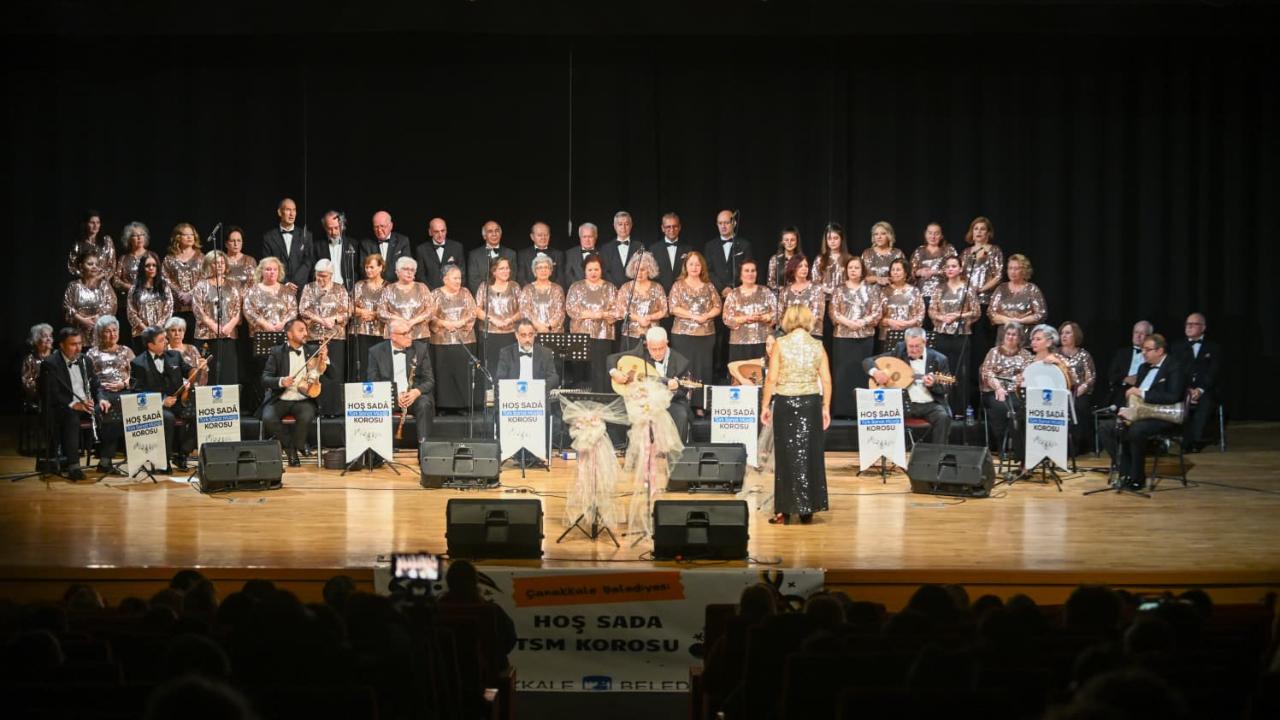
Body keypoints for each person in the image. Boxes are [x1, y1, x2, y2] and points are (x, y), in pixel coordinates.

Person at [761, 305, 831, 525]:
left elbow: (771, 379)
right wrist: (826, 407)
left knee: (785, 457)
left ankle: (784, 511)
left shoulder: (781, 344)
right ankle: (807, 509)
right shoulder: (817, 345)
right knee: (810, 454)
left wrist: (765, 406)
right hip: (810, 404)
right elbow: (826, 380)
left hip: (786, 403)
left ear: (787, 320)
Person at [1104, 334, 1187, 490]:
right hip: (1140, 412)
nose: (1143, 353)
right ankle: (1125, 471)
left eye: (1148, 350)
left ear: (1160, 350)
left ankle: (1137, 477)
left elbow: (1173, 396)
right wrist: (1127, 408)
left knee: (1136, 430)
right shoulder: (1143, 368)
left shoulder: (1174, 366)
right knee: (1107, 427)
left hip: (1163, 415)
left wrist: (1142, 393)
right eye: (1142, 349)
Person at [39, 327, 111, 480]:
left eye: (80, 343)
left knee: (109, 411)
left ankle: (105, 461)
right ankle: (74, 466)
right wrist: (73, 404)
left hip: (86, 405)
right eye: (73, 344)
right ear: (62, 345)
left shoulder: (85, 360)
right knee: (71, 417)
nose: (78, 348)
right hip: (63, 407)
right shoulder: (50, 364)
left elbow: (96, 385)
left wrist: (102, 399)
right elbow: (51, 393)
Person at [865, 326, 953, 445]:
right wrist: (875, 372)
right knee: (882, 412)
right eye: (911, 346)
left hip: (930, 405)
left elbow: (947, 388)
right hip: (905, 404)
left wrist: (933, 384)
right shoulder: (899, 353)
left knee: (943, 417)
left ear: (925, 342)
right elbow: (868, 361)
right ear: (906, 343)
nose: (914, 350)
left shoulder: (939, 359)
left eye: (918, 346)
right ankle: (886, 450)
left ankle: (938, 454)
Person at [261, 318, 328, 467]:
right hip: (281, 398)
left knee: (306, 416)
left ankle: (299, 444)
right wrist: (281, 381)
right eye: (301, 330)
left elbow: (329, 374)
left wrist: (324, 359)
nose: (306, 333)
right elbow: (265, 378)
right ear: (290, 335)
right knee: (268, 418)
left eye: (305, 330)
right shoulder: (277, 352)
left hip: (303, 398)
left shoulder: (313, 351)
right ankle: (291, 449)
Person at [129, 326, 195, 471]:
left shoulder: (175, 356)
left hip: (177, 402)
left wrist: (193, 373)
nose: (166, 341)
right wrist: (161, 401)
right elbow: (137, 393)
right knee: (167, 418)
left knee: (198, 413)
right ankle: (163, 462)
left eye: (165, 338)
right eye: (161, 340)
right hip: (154, 407)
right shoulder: (138, 363)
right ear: (150, 345)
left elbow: (188, 370)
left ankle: (182, 454)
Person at [608, 326, 692, 441]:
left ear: (667, 343)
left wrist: (673, 389)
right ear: (647, 345)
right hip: (643, 402)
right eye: (653, 349)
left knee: (681, 414)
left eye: (661, 348)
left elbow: (683, 392)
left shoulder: (680, 362)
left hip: (669, 402)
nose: (657, 353)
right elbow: (612, 358)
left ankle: (678, 450)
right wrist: (614, 372)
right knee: (620, 412)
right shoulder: (641, 352)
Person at [367, 320, 435, 445]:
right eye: (405, 333)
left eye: (410, 332)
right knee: (374, 403)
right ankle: (380, 448)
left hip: (413, 397)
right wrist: (393, 395)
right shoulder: (376, 352)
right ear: (393, 336)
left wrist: (416, 392)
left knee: (424, 403)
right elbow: (373, 381)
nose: (410, 336)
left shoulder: (420, 349)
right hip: (389, 398)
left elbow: (429, 380)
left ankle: (424, 448)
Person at [829, 256, 882, 417]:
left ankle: (861, 409)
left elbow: (877, 311)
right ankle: (842, 410)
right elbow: (833, 311)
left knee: (861, 373)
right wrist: (848, 322)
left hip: (864, 337)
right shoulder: (839, 289)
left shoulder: (871, 289)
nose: (853, 270)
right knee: (843, 374)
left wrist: (863, 322)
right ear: (846, 270)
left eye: (856, 268)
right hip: (843, 337)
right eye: (850, 267)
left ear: (862, 270)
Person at [668, 251, 721, 412]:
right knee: (684, 368)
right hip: (682, 335)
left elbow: (718, 306)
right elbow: (673, 308)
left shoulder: (709, 286)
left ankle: (700, 404)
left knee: (703, 368)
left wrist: (706, 316)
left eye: (697, 264)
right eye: (691, 264)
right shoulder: (678, 285)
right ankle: (683, 403)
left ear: (702, 267)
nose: (694, 267)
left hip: (705, 335)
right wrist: (693, 316)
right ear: (685, 266)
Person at [928, 255, 980, 417]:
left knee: (960, 374)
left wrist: (959, 315)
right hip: (942, 335)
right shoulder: (939, 288)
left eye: (954, 266)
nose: (950, 269)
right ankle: (944, 407)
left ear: (960, 268)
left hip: (961, 335)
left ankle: (960, 409)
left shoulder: (967, 288)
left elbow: (976, 311)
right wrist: (942, 317)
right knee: (943, 374)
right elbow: (931, 310)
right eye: (948, 266)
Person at [959, 216, 1004, 388]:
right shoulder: (966, 253)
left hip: (985, 302)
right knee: (967, 345)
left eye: (982, 229)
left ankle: (984, 384)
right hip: (967, 304)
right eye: (976, 229)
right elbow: (961, 275)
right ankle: (967, 385)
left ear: (988, 232)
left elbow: (998, 275)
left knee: (982, 344)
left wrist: (980, 289)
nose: (978, 232)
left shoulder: (994, 251)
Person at [299, 259, 350, 413]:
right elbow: (303, 310)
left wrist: (334, 319)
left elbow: (347, 312)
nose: (321, 279)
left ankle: (333, 409)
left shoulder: (340, 289)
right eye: (318, 275)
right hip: (313, 336)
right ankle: (315, 408)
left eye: (324, 276)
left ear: (331, 275)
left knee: (333, 373)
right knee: (314, 373)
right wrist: (321, 320)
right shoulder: (309, 288)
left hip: (335, 336)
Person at [85, 315, 133, 473]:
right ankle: (105, 459)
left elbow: (136, 375)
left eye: (115, 330)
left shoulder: (126, 351)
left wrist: (123, 384)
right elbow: (87, 378)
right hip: (101, 393)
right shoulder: (92, 353)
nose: (112, 334)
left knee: (130, 407)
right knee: (107, 410)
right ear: (100, 333)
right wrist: (99, 386)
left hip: (124, 391)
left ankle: (107, 459)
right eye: (107, 331)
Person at [429, 264, 479, 412]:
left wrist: (460, 323)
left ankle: (463, 405)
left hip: (464, 340)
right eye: (455, 278)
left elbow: (473, 312)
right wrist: (444, 323)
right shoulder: (435, 294)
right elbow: (429, 315)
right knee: (443, 373)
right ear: (445, 279)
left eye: (459, 278)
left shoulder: (465, 292)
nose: (458, 281)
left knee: (462, 372)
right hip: (441, 341)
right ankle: (442, 406)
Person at [564, 255, 617, 393]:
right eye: (590, 270)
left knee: (600, 369)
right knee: (579, 370)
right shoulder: (576, 287)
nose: (593, 273)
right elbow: (570, 309)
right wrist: (597, 314)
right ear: (584, 271)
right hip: (580, 334)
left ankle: (600, 398)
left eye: (596, 269)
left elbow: (615, 311)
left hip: (603, 335)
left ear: (601, 270)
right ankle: (579, 399)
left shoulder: (610, 287)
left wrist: (602, 315)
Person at [980, 322, 1033, 454]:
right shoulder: (994, 352)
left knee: (1021, 407)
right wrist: (998, 388)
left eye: (1014, 335)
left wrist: (1015, 386)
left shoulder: (1026, 355)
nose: (1010, 337)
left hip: (1017, 391)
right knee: (1000, 407)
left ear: (1019, 338)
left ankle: (1018, 448)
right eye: (1008, 334)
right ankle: (1000, 446)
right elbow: (987, 373)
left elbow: (1027, 375)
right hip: (994, 391)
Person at [1171, 312, 1221, 452]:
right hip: (1182, 389)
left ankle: (1194, 441)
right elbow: (1174, 372)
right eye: (1188, 324)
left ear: (1203, 328)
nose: (1189, 327)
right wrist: (1186, 389)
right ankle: (1178, 440)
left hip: (1205, 390)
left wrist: (1199, 390)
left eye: (1194, 324)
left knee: (1205, 403)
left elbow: (1213, 372)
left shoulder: (1214, 348)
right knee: (1174, 399)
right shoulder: (1176, 347)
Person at [191, 250, 242, 386]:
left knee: (227, 372)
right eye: (215, 263)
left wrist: (230, 326)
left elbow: (237, 309)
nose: (219, 265)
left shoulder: (233, 285)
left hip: (227, 335)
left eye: (222, 263)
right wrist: (214, 326)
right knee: (209, 373)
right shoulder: (201, 286)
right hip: (206, 336)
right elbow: (198, 309)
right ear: (208, 265)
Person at [722, 258, 778, 364]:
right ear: (740, 274)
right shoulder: (733, 294)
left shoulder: (766, 291)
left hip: (764, 342)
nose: (750, 274)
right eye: (746, 271)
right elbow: (726, 318)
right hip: (739, 344)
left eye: (753, 271)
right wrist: (745, 318)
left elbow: (777, 312)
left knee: (763, 372)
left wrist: (765, 317)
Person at [474, 256, 522, 376]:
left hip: (510, 335)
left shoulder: (514, 286)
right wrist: (492, 320)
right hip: (489, 335)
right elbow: (477, 310)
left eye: (507, 268)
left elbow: (523, 309)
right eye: (502, 268)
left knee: (510, 370)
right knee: (491, 369)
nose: (506, 271)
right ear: (494, 271)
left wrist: (510, 320)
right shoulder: (484, 286)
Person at [613, 251, 668, 350]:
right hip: (630, 335)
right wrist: (639, 319)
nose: (639, 273)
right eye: (636, 269)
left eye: (642, 269)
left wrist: (650, 317)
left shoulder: (657, 287)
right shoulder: (625, 287)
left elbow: (664, 310)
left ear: (649, 270)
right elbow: (620, 310)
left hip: (652, 336)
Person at [1058, 321, 1098, 455]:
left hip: (1078, 392)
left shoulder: (1084, 354)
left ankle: (1077, 446)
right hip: (1059, 392)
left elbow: (1091, 377)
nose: (1064, 336)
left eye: (1067, 333)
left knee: (1079, 406)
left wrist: (1083, 387)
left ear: (1075, 335)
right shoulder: (1055, 354)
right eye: (1062, 333)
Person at [260, 198, 314, 294]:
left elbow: (308, 262)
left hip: (299, 289)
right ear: (280, 212)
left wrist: (294, 282)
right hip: (277, 288)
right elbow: (268, 263)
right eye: (288, 210)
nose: (292, 214)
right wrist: (285, 283)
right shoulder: (269, 237)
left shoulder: (306, 235)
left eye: (294, 210)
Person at [378, 257, 435, 343]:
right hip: (395, 336)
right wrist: (399, 320)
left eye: (412, 270)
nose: (409, 272)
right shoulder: (389, 289)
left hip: (419, 335)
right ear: (397, 272)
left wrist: (413, 321)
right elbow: (381, 312)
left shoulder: (422, 287)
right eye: (406, 269)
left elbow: (431, 310)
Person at [350, 253, 388, 383]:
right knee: (362, 366)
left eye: (371, 267)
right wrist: (362, 311)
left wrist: (374, 314)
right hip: (361, 332)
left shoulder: (388, 287)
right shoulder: (359, 285)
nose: (368, 270)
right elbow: (349, 306)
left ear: (381, 267)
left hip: (381, 333)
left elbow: (391, 309)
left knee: (378, 367)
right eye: (366, 267)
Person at [910, 222, 957, 327]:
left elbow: (955, 268)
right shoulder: (919, 251)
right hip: (922, 294)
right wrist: (919, 272)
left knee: (939, 325)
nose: (933, 236)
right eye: (930, 233)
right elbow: (911, 271)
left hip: (943, 293)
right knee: (924, 325)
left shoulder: (948, 250)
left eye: (936, 233)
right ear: (925, 234)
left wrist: (934, 272)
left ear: (941, 236)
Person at [162, 223, 204, 341]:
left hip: (196, 307)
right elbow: (165, 278)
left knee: (194, 341)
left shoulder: (201, 257)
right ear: (178, 237)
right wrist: (179, 293)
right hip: (176, 307)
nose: (190, 237)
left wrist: (191, 294)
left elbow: (204, 278)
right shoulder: (169, 258)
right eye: (186, 235)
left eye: (192, 234)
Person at [987, 253, 1047, 333]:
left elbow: (1041, 314)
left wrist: (1020, 321)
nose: (1012, 272)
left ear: (1024, 270)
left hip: (1025, 334)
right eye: (1010, 268)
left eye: (1016, 269)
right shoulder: (1001, 289)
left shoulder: (1032, 289)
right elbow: (991, 313)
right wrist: (1007, 320)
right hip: (1005, 334)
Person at [63, 250, 118, 336]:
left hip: (101, 332)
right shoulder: (73, 286)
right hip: (78, 333)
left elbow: (112, 304)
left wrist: (98, 317)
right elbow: (67, 307)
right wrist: (82, 320)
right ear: (81, 266)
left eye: (97, 264)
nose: (94, 267)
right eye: (90, 264)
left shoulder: (104, 285)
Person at [496, 319, 562, 390]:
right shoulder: (506, 353)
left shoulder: (545, 353)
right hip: (514, 394)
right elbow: (500, 380)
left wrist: (538, 388)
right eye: (523, 335)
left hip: (537, 393)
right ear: (516, 335)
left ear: (534, 334)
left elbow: (553, 378)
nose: (527, 339)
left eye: (530, 335)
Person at [877, 258, 925, 350]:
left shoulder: (914, 291)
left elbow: (921, 314)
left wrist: (908, 323)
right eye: (893, 270)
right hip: (888, 335)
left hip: (910, 336)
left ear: (905, 273)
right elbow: (878, 316)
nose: (895, 272)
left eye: (898, 270)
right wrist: (889, 322)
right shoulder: (884, 291)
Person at [1106, 320, 1155, 409]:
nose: (1138, 336)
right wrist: (1125, 379)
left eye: (1142, 333)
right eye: (1136, 332)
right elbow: (1111, 375)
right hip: (1123, 391)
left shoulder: (1154, 354)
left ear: (1149, 337)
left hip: (1144, 391)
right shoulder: (1122, 353)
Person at [705, 210, 752, 299]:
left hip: (740, 294)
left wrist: (733, 288)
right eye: (720, 223)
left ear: (734, 223)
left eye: (726, 223)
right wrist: (722, 288)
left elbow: (747, 270)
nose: (723, 226)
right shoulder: (710, 246)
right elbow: (708, 271)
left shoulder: (745, 245)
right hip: (716, 295)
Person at [778, 256, 825, 338]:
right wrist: (791, 329)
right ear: (793, 268)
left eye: (806, 266)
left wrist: (802, 330)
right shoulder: (785, 291)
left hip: (812, 334)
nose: (804, 268)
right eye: (800, 266)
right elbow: (781, 315)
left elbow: (817, 314)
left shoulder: (816, 288)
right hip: (790, 335)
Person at [518, 253, 566, 334]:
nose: (543, 270)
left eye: (546, 267)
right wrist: (539, 327)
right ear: (534, 271)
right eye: (540, 268)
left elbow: (560, 312)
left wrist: (549, 327)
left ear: (550, 271)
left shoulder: (557, 289)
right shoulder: (527, 289)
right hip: (532, 333)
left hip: (553, 332)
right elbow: (525, 312)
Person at [466, 220, 517, 295]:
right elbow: (473, 281)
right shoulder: (474, 255)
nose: (494, 234)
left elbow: (512, 279)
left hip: (505, 298)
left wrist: (501, 296)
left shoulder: (511, 254)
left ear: (500, 234)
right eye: (490, 231)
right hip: (482, 298)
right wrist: (488, 297)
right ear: (484, 236)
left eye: (497, 231)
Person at [359, 210, 410, 284]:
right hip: (375, 286)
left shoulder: (402, 241)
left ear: (391, 226)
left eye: (382, 226)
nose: (379, 230)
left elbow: (406, 266)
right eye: (376, 227)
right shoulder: (366, 244)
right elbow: (363, 269)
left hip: (397, 285)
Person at [414, 217, 466, 289]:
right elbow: (420, 276)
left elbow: (461, 273)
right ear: (430, 232)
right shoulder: (421, 249)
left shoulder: (457, 247)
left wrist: (452, 290)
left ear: (446, 231)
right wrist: (433, 292)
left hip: (452, 291)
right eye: (436, 232)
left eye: (443, 231)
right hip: (430, 292)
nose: (440, 235)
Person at [316, 211, 358, 290]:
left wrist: (351, 288)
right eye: (330, 229)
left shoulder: (353, 244)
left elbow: (357, 271)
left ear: (342, 226)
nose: (334, 232)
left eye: (336, 228)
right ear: (325, 227)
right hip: (325, 290)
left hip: (347, 290)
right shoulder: (317, 247)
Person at [66, 210, 115, 278]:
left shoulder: (107, 240)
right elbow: (72, 267)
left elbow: (112, 266)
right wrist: (87, 278)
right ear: (85, 224)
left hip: (103, 281)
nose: (95, 226)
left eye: (98, 222)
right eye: (92, 223)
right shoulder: (78, 244)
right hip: (85, 282)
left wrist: (98, 278)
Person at [653, 212, 694, 293]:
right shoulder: (653, 249)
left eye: (675, 226)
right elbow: (651, 275)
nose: (672, 230)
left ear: (679, 227)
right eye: (668, 227)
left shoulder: (688, 249)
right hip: (660, 294)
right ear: (662, 228)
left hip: (683, 293)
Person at [599, 211, 642, 288]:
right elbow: (604, 272)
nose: (623, 227)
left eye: (627, 224)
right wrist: (615, 288)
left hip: (635, 290)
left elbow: (642, 269)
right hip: (612, 290)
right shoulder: (605, 248)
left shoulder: (639, 246)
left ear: (631, 225)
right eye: (620, 224)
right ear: (614, 226)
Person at [516, 221, 565, 287]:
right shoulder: (523, 255)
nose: (543, 238)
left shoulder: (558, 254)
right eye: (539, 235)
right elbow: (521, 278)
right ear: (532, 237)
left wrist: (551, 290)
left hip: (552, 292)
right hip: (530, 292)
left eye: (546, 235)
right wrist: (531, 290)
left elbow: (561, 278)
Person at [812, 223, 853, 296]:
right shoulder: (820, 259)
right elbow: (815, 281)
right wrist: (827, 290)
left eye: (835, 238)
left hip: (844, 297)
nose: (832, 241)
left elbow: (854, 280)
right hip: (824, 298)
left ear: (841, 239)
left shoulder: (849, 258)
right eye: (829, 239)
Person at [860, 221, 905, 288]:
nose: (879, 237)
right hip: (870, 292)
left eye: (883, 234)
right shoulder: (867, 253)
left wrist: (888, 279)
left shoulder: (897, 253)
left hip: (892, 291)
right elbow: (860, 277)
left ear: (889, 235)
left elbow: (904, 276)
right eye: (876, 234)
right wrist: (877, 279)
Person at [165, 318, 206, 387]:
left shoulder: (192, 349)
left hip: (192, 388)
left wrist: (203, 368)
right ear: (167, 334)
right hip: (172, 390)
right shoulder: (164, 351)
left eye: (180, 330)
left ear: (184, 333)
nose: (177, 334)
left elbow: (201, 377)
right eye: (173, 330)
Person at [21, 323, 54, 402]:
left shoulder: (57, 357)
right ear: (36, 340)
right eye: (45, 336)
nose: (49, 339)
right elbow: (27, 383)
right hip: (38, 401)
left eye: (50, 336)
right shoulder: (30, 359)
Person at [562, 222, 601, 287]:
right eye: (584, 237)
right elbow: (567, 275)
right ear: (580, 237)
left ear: (595, 237)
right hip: (576, 290)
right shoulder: (570, 253)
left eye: (590, 236)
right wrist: (579, 288)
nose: (587, 240)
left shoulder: (603, 252)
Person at [766, 227, 804, 292]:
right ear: (782, 242)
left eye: (792, 240)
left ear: (797, 241)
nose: (789, 243)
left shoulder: (802, 259)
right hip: (780, 295)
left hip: (799, 295)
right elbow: (770, 283)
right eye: (786, 240)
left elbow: (806, 281)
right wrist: (785, 290)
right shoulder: (775, 259)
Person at [221, 226, 257, 292]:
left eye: (239, 240)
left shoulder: (250, 261)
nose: (236, 244)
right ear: (226, 244)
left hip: (245, 296)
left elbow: (255, 284)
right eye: (232, 241)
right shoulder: (221, 261)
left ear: (242, 243)